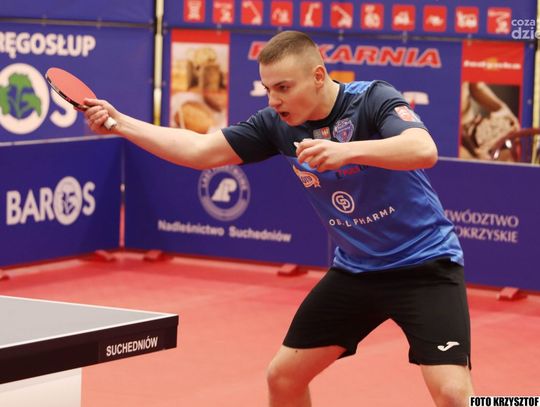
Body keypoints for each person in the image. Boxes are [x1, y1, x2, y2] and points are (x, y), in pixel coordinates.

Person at [85, 30, 474, 406]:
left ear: (318, 76)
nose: (274, 100)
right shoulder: (276, 125)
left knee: (455, 397)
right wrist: (121, 124)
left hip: (424, 267)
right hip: (357, 272)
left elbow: (423, 149)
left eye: (284, 87)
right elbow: (200, 151)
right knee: (283, 377)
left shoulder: (372, 99)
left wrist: (348, 151)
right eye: (268, 89)